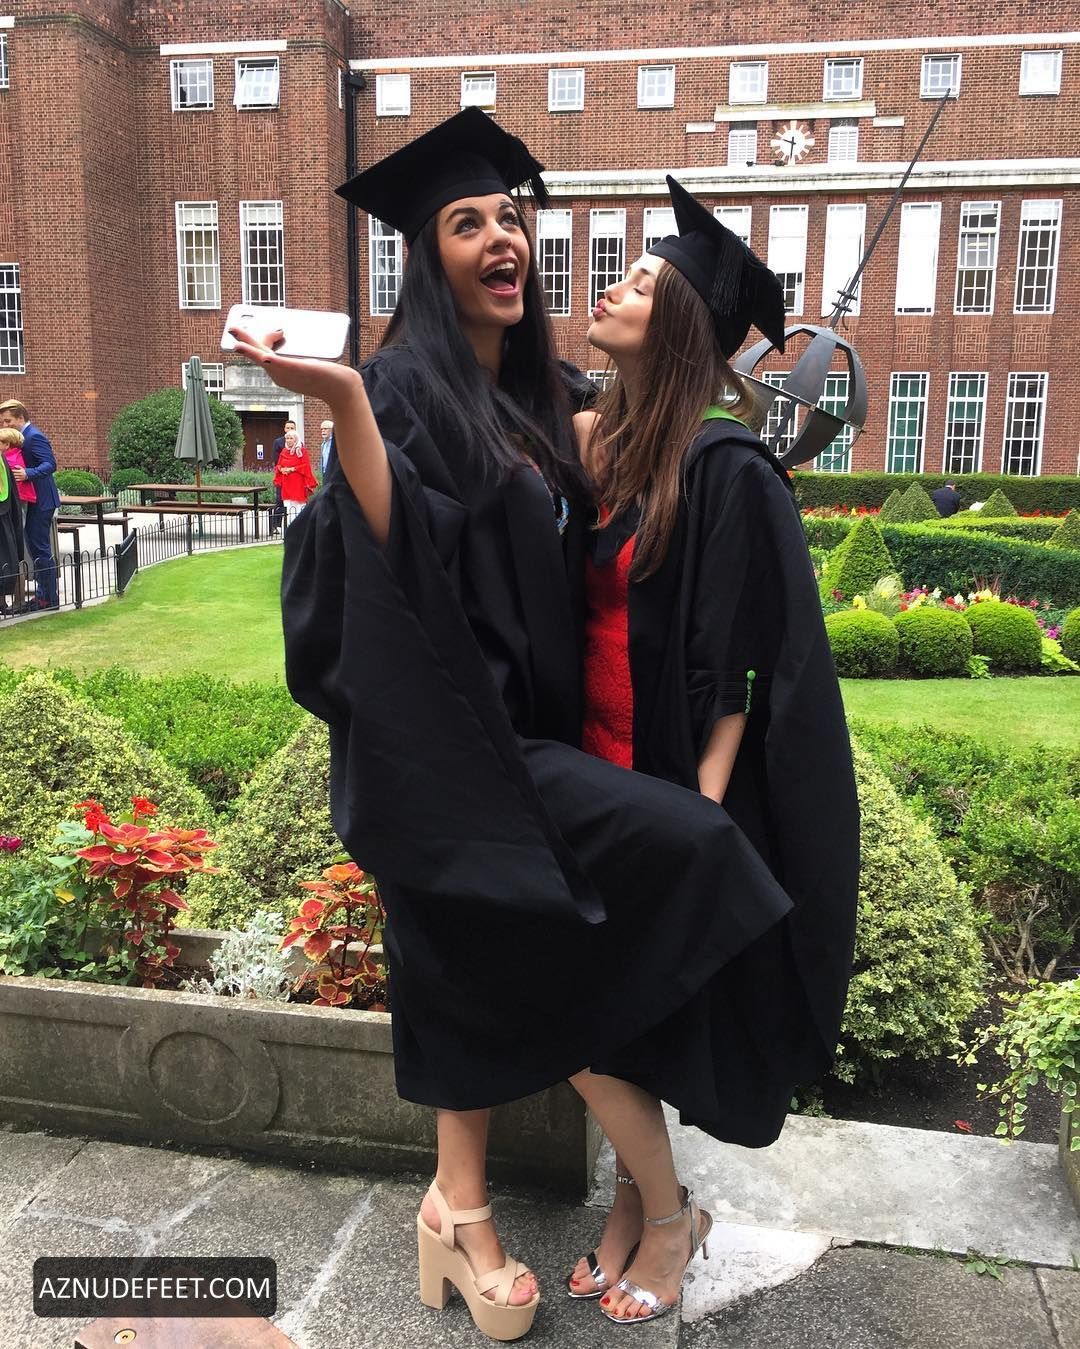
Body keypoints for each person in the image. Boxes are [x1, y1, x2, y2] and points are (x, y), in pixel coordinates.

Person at [229, 111, 816, 1343]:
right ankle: (580, 1211)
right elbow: (391, 542)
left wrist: (725, 411)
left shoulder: (543, 400)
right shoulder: (403, 386)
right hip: (451, 752)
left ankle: (465, 1208)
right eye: (466, 222)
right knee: (665, 863)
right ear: (428, 257)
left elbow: (653, 454)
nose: (500, 236)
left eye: (509, 216)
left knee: (482, 963)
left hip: (523, 746)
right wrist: (343, 401)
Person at [560, 175, 859, 1322]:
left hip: (662, 792)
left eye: (640, 282)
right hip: (580, 774)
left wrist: (696, 816)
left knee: (602, 1017)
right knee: (595, 1014)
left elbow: (740, 673)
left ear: (681, 320)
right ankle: (652, 1205)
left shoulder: (726, 469)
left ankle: (662, 1217)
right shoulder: (604, 448)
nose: (612, 288)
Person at [0, 400, 59, 608]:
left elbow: (50, 464)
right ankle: (44, 595)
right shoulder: (21, 437)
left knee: (40, 549)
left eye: (8, 421)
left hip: (42, 501)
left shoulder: (34, 436)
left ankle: (48, 598)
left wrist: (28, 473)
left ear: (21, 417)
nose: (5, 425)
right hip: (33, 501)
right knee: (35, 549)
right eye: (3, 422)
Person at [273, 429, 318, 527]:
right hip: (286, 484)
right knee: (288, 506)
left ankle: (300, 527)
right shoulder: (284, 451)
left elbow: (306, 466)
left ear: (296, 439)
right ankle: (289, 527)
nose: (289, 440)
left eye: (291, 438)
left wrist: (292, 469)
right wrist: (281, 469)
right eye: (287, 438)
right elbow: (278, 465)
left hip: (298, 484)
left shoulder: (301, 451)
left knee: (298, 507)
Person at [0, 450, 25, 613]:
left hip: (3, 514)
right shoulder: (2, 457)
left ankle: (18, 601)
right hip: (6, 513)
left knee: (7, 560)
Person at [268, 418, 297, 534]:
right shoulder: (278, 442)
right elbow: (276, 460)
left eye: (292, 428)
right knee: (280, 500)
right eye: (288, 428)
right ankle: (275, 525)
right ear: (284, 429)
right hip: (282, 476)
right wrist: (284, 468)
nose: (289, 429)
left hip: (294, 477)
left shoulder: (298, 442)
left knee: (293, 502)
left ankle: (292, 525)